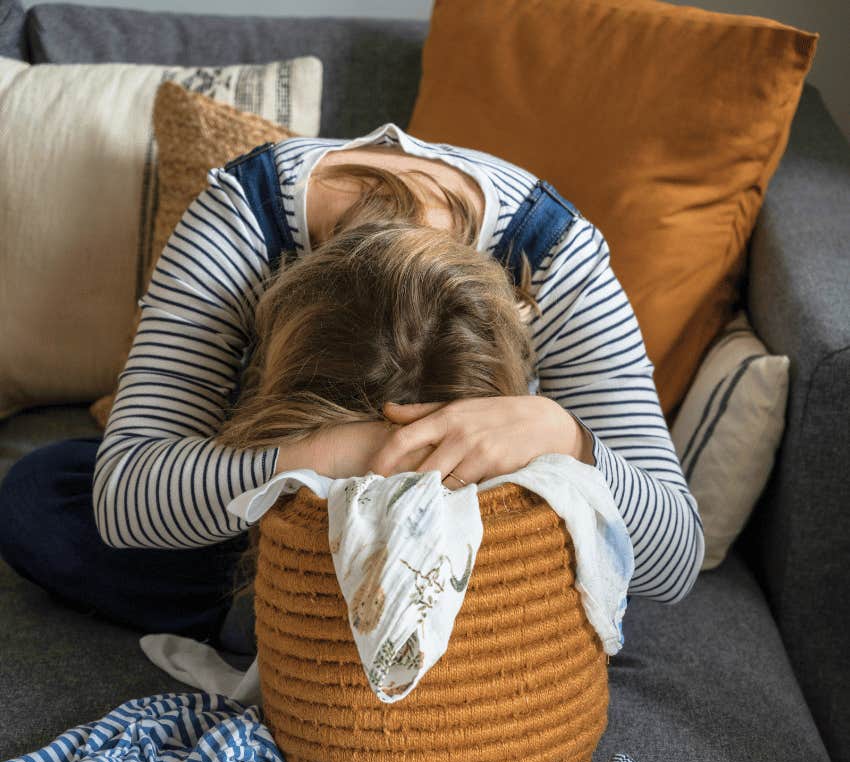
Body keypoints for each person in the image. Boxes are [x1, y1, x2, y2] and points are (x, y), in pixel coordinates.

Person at [0, 122, 704, 645]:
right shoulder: (245, 222)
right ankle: (312, 621)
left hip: (473, 526)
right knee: (39, 494)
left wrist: (561, 435)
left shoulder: (557, 257)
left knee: (601, 546)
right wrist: (332, 458)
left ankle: (292, 630)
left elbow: (674, 560)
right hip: (277, 511)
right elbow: (127, 498)